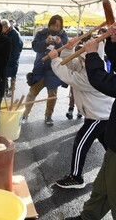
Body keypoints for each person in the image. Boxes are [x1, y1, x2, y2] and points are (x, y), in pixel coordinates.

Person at [64, 25, 116, 220]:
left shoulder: (91, 63)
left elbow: (103, 81)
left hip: (101, 116)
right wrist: (113, 42)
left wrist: (93, 54)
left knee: (114, 190)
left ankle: (76, 177)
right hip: (113, 138)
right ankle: (89, 216)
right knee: (102, 186)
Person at [48, 38, 113, 189]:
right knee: (109, 146)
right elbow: (71, 64)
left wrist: (55, 60)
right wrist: (69, 49)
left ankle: (76, 177)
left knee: (80, 143)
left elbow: (68, 75)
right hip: (98, 113)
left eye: (86, 53)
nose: (82, 56)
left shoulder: (93, 75)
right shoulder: (88, 64)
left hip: (99, 116)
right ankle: (111, 169)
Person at [22, 15, 68, 126]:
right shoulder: (41, 33)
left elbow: (65, 52)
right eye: (53, 25)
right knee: (32, 93)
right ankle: (25, 114)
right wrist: (46, 42)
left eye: (58, 25)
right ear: (49, 24)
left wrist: (59, 43)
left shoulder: (63, 36)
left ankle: (48, 116)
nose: (56, 28)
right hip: (40, 67)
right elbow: (35, 47)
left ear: (61, 26)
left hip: (53, 70)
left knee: (52, 95)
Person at [1, 19, 23, 97]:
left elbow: (18, 47)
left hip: (13, 58)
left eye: (2, 28)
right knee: (4, 75)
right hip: (5, 58)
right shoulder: (3, 33)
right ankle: (5, 89)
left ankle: (11, 90)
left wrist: (13, 57)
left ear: (6, 27)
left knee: (13, 76)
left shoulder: (15, 34)